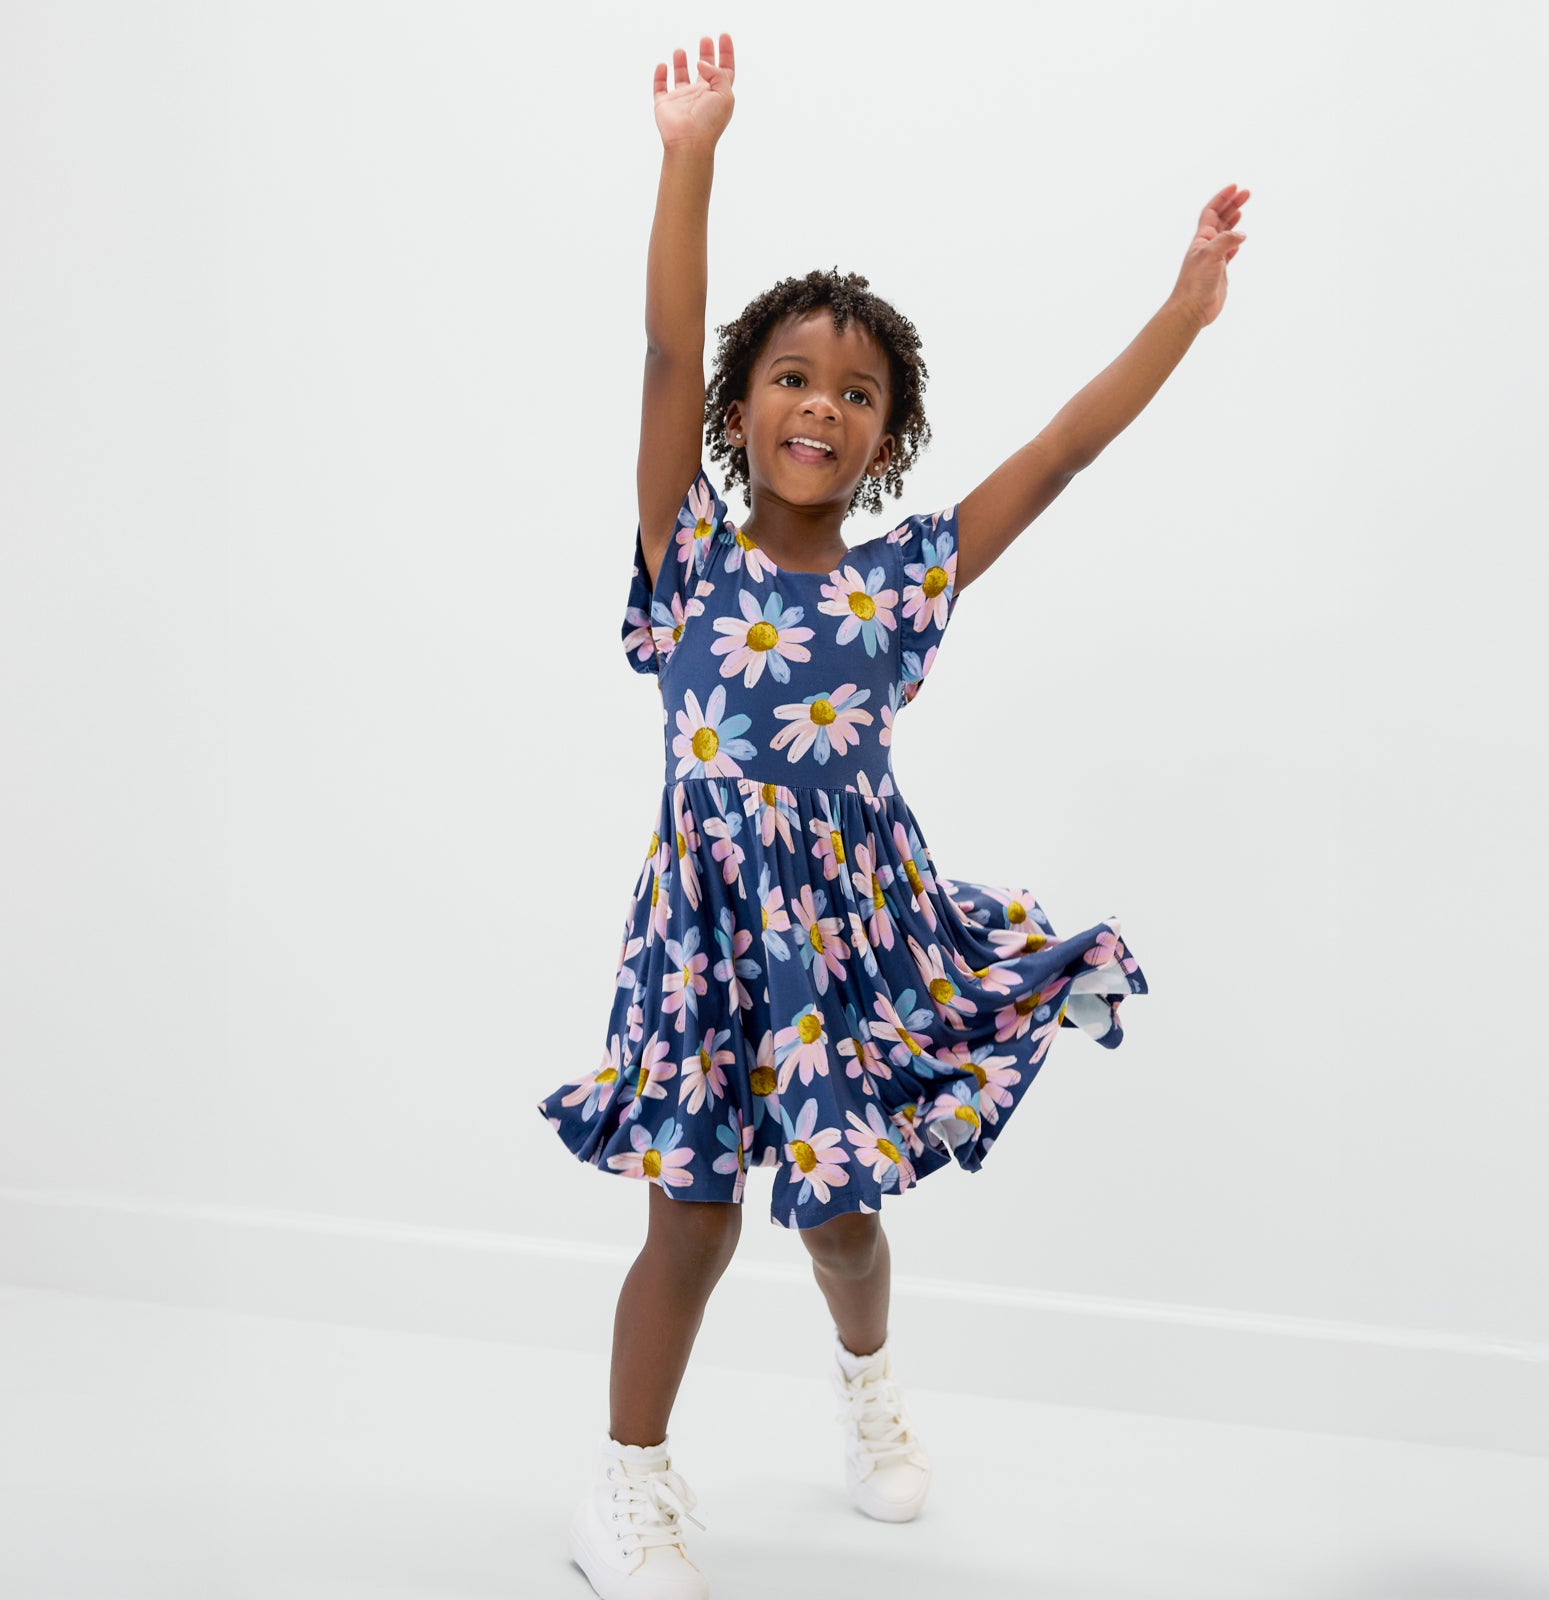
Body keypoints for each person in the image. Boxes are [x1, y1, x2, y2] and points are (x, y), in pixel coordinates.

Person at [539, 30, 1248, 1599]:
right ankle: (627, 1486)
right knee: (698, 1221)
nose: (822, 407)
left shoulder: (902, 580)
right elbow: (663, 351)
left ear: (887, 434)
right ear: (741, 413)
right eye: (793, 378)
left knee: (844, 1227)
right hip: (710, 946)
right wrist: (691, 154)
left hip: (855, 941)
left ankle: (868, 1395)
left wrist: (1181, 312)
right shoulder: (689, 562)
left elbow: (1060, 455)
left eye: (857, 393)